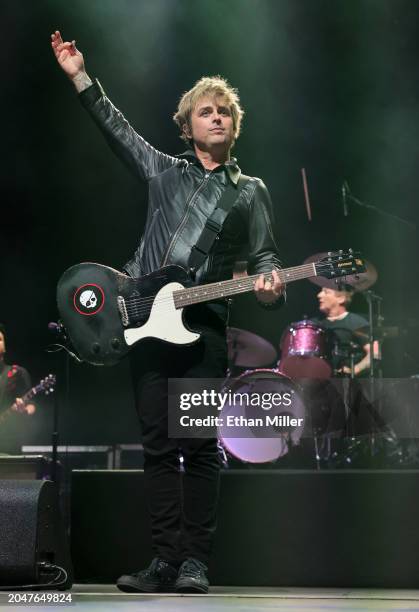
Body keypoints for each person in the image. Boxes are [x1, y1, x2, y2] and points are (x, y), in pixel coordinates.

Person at [51, 31, 284, 593]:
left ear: (235, 123)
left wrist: (271, 287)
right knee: (157, 447)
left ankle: (196, 563)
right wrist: (81, 75)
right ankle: (163, 561)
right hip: (145, 327)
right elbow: (115, 130)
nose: (218, 117)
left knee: (200, 449)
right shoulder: (163, 172)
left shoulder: (249, 191)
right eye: (207, 111)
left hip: (204, 332)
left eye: (226, 110)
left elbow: (266, 258)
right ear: (188, 125)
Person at [314, 286, 372, 377]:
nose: (319, 295)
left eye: (326, 292)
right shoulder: (313, 324)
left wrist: (354, 370)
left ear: (341, 299)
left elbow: (374, 353)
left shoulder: (357, 323)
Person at [0, 323, 36, 453]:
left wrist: (24, 410)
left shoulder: (17, 373)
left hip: (8, 447)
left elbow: (31, 406)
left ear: (5, 347)